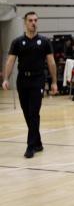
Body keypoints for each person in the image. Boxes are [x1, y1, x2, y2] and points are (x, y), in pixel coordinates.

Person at [2, 12, 58, 158]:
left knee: (34, 112)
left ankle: (30, 146)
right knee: (27, 113)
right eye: (30, 20)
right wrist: (6, 78)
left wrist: (54, 82)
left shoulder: (44, 42)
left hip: (38, 80)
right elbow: (10, 61)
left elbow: (51, 62)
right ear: (25, 23)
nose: (33, 23)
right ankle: (38, 142)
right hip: (22, 80)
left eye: (35, 20)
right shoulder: (17, 42)